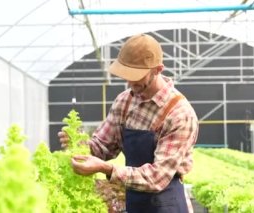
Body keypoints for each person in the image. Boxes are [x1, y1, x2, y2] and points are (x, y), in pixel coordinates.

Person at [58, 34, 198, 213]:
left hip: (167, 203)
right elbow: (103, 146)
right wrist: (79, 145)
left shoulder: (179, 113)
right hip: (135, 200)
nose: (130, 82)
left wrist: (105, 168)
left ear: (158, 69)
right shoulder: (124, 101)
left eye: (137, 76)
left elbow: (157, 178)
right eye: (127, 75)